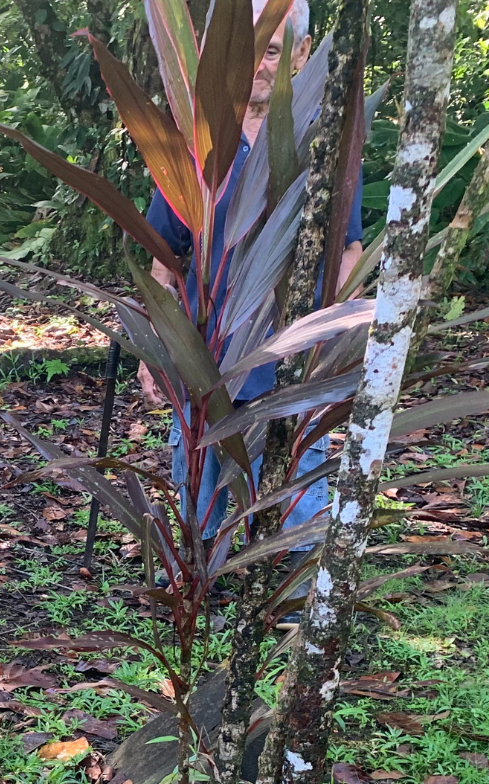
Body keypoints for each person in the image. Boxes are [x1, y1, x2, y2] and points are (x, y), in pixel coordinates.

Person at [140, 0, 364, 536]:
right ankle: (204, 606)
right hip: (204, 360)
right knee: (201, 507)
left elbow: (348, 250)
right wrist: (155, 350)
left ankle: (291, 612)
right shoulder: (197, 143)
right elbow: (164, 261)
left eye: (271, 50)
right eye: (246, 51)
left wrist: (333, 343)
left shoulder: (324, 140)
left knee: (296, 498)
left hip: (290, 362)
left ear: (300, 54)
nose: (257, 66)